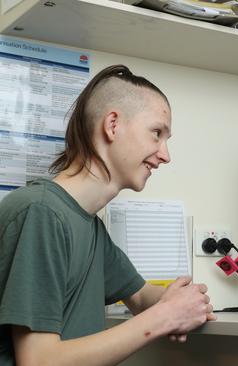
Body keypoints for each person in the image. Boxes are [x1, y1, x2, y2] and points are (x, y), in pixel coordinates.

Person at [0, 65, 216, 366]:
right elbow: (38, 361)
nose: (166, 155)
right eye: (156, 133)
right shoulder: (42, 213)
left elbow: (141, 297)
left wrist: (185, 303)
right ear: (112, 125)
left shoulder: (89, 225)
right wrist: (164, 317)